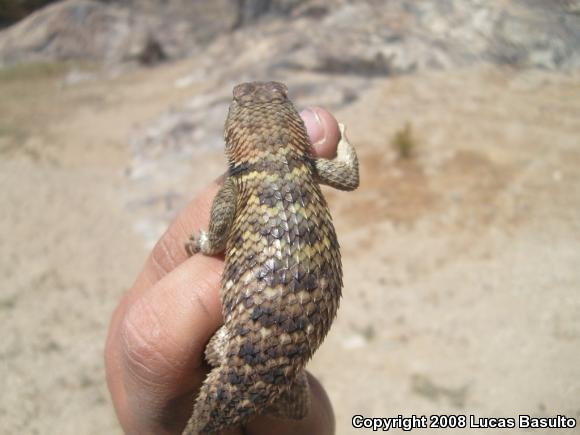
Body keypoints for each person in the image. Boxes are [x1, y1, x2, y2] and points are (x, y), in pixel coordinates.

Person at [105, 107, 342, 435]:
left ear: (233, 136)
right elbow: (349, 175)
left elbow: (216, 237)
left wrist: (203, 242)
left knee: (210, 352)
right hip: (264, 341)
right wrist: (344, 143)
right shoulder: (306, 165)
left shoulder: (239, 182)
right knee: (295, 404)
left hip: (233, 344)